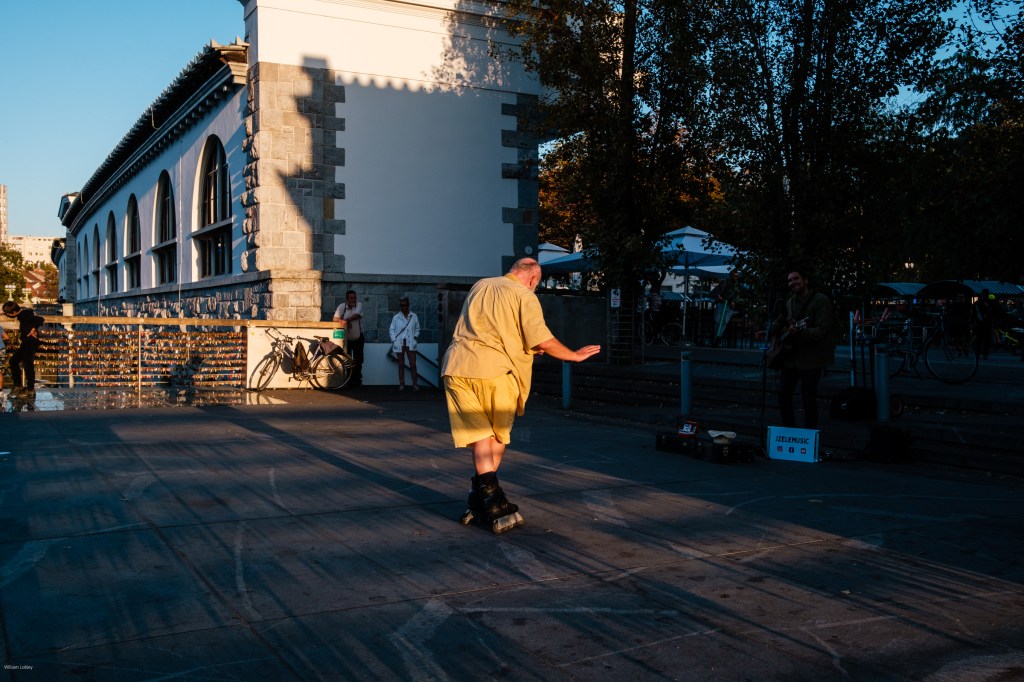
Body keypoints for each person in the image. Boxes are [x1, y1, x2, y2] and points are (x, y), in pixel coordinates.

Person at [441, 258, 601, 534]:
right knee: (497, 436)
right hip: (496, 371)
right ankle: (493, 501)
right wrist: (573, 355)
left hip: (457, 366)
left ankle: (477, 500)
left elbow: (488, 327)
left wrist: (524, 347)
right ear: (532, 280)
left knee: (480, 437)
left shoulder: (482, 285)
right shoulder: (524, 296)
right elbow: (543, 340)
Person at [770, 269, 833, 429]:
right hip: (790, 358)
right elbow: (781, 321)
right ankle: (789, 432)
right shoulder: (790, 301)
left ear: (806, 279)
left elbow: (821, 331)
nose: (792, 283)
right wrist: (769, 330)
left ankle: (809, 437)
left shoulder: (820, 300)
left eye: (796, 278)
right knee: (783, 396)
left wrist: (800, 331)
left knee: (808, 399)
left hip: (811, 359)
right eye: (790, 280)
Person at [3, 301, 45, 397]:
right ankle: (18, 385)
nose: (8, 316)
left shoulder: (24, 315)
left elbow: (40, 319)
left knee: (28, 365)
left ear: (14, 312)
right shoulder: (23, 312)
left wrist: (33, 329)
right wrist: (4, 313)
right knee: (13, 361)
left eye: (9, 314)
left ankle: (30, 389)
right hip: (27, 342)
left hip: (30, 342)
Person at [333, 290, 364, 387]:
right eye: (351, 298)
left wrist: (346, 321)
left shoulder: (359, 305)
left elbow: (356, 315)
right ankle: (349, 381)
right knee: (347, 360)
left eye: (354, 298)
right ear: (347, 299)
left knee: (358, 359)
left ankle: (358, 381)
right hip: (347, 339)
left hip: (358, 337)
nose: (353, 300)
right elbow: (334, 319)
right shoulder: (342, 306)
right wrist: (342, 321)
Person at [389, 297, 421, 391]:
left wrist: (415, 336)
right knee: (401, 364)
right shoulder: (396, 317)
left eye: (405, 305)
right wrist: (394, 340)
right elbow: (391, 330)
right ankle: (402, 384)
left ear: (408, 305)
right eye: (401, 305)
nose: (403, 307)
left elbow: (418, 328)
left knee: (413, 364)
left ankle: (415, 384)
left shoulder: (414, 316)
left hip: (410, 343)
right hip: (400, 343)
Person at [710, 270, 741, 347]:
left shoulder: (737, 285)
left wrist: (734, 301)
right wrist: (718, 296)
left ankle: (718, 338)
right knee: (717, 321)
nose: (737, 277)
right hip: (721, 304)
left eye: (738, 276)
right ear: (731, 276)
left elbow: (738, 295)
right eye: (735, 276)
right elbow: (716, 291)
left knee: (724, 322)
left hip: (729, 306)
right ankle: (715, 338)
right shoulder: (724, 282)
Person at [972, 289, 996, 360]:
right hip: (981, 324)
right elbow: (973, 314)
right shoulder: (981, 303)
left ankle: (982, 354)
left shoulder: (978, 303)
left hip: (984, 324)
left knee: (984, 340)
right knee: (981, 340)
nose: (985, 295)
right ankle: (980, 353)